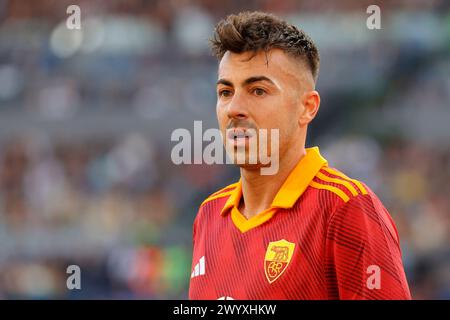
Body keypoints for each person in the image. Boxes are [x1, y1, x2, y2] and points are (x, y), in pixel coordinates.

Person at [189, 11, 411, 300]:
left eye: (257, 90)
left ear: (307, 107)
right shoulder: (209, 213)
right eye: (225, 91)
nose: (234, 108)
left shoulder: (345, 208)